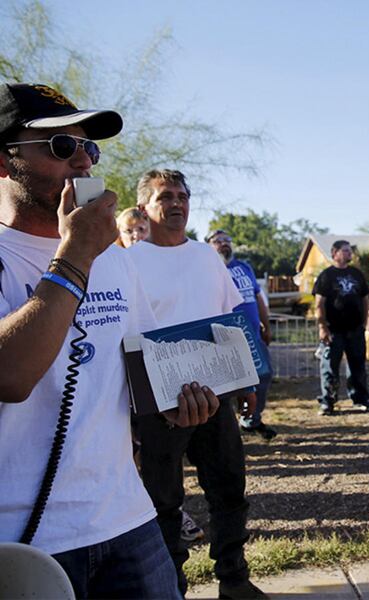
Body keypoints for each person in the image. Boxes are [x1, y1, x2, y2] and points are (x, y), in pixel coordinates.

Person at [0, 82, 217, 598]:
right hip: (22, 539)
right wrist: (75, 256)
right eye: (60, 146)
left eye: (88, 148)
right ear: (5, 163)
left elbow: (138, 361)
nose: (82, 161)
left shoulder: (114, 256)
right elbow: (10, 376)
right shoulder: (76, 251)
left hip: (125, 518)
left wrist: (175, 404)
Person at [129, 169, 265, 599]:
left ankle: (234, 579)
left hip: (216, 393)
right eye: (165, 196)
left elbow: (231, 320)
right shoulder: (127, 262)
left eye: (183, 196)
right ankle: (172, 587)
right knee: (163, 502)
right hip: (159, 405)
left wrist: (246, 382)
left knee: (229, 488)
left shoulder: (208, 257)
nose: (176, 203)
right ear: (146, 207)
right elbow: (125, 338)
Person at [206, 228, 276, 440]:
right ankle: (224, 430)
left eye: (227, 239)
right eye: (218, 240)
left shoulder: (244, 267)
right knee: (228, 386)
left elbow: (258, 299)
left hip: (252, 335)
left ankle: (250, 419)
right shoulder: (207, 268)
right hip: (224, 337)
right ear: (208, 245)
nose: (224, 243)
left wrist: (266, 325)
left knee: (263, 374)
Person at [313, 239, 369, 415]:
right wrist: (322, 327)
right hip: (333, 330)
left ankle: (361, 398)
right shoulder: (326, 276)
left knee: (358, 366)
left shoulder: (356, 274)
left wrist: (363, 323)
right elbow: (319, 303)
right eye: (346, 250)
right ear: (335, 253)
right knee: (329, 367)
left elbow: (365, 299)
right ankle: (328, 402)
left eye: (350, 251)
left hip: (355, 330)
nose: (349, 254)